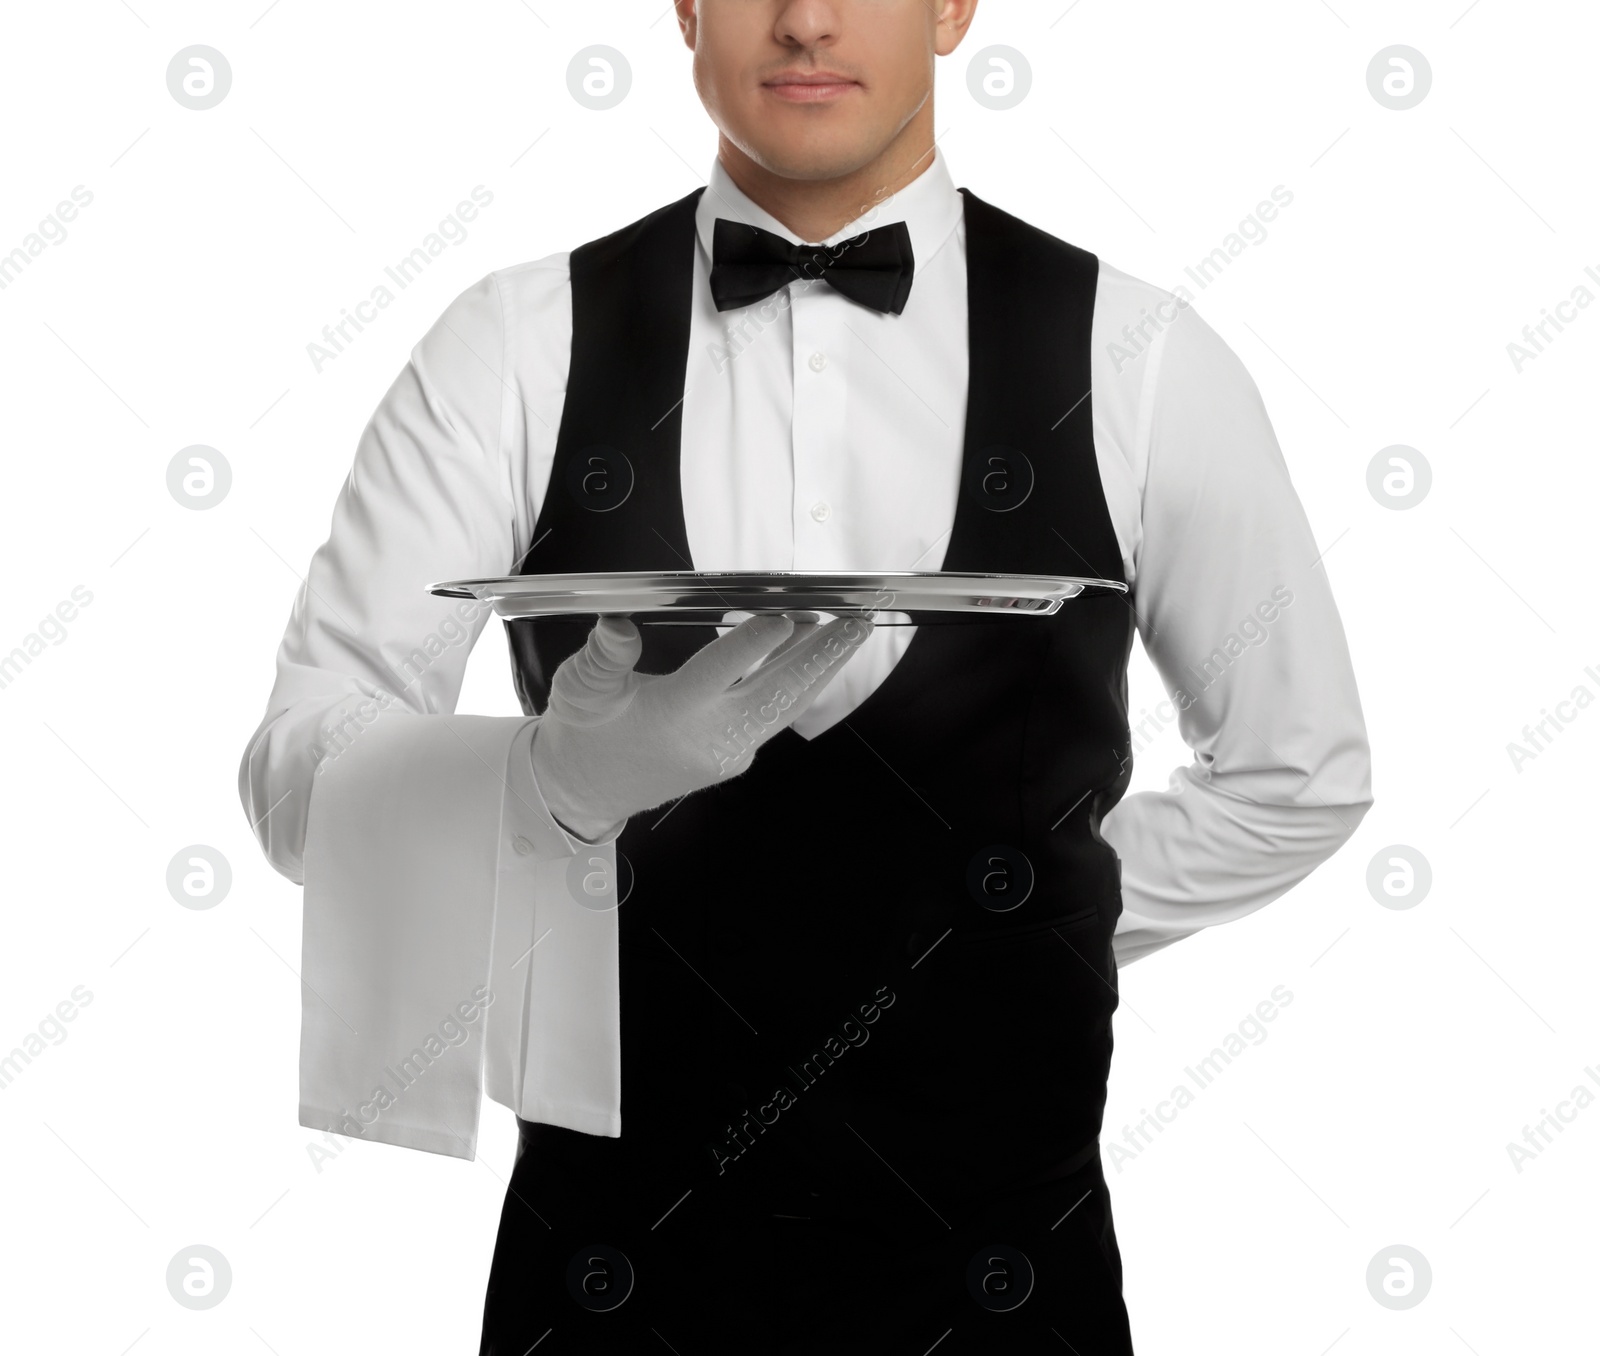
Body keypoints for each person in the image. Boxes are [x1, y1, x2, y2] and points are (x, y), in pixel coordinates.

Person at [239, 1, 1374, 1350]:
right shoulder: (511, 345)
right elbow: (299, 765)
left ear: (956, 8)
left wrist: (1026, 905)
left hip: (1008, 1285)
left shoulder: (1143, 359)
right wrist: (543, 789)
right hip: (607, 1287)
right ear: (685, 10)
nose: (807, 18)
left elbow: (1301, 774)